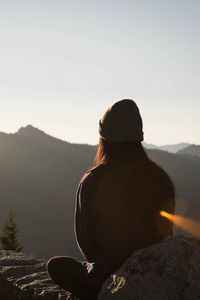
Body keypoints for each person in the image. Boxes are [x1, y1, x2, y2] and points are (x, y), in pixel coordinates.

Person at [47, 99, 175, 300]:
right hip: (156, 271)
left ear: (103, 139)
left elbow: (86, 241)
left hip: (109, 278)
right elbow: (166, 233)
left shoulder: (93, 180)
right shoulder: (160, 178)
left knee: (57, 266)